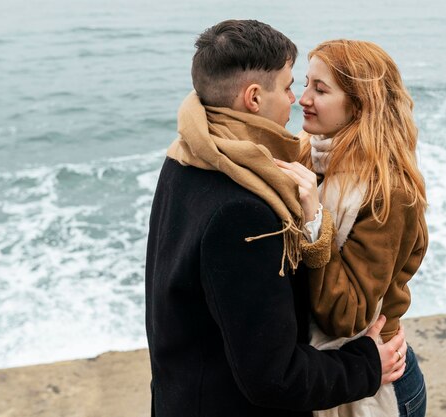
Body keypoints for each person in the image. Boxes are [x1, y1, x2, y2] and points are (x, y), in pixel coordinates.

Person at [145, 20, 409, 417]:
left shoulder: (187, 155)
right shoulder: (246, 208)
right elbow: (273, 376)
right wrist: (367, 364)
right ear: (253, 98)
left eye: (316, 88)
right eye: (291, 85)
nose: (297, 98)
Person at [276, 39, 428, 417]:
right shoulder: (307, 155)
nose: (302, 99)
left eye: (320, 89)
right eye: (304, 83)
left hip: (378, 382)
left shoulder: (388, 193)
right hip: (330, 375)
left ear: (359, 105)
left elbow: (347, 316)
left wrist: (315, 223)